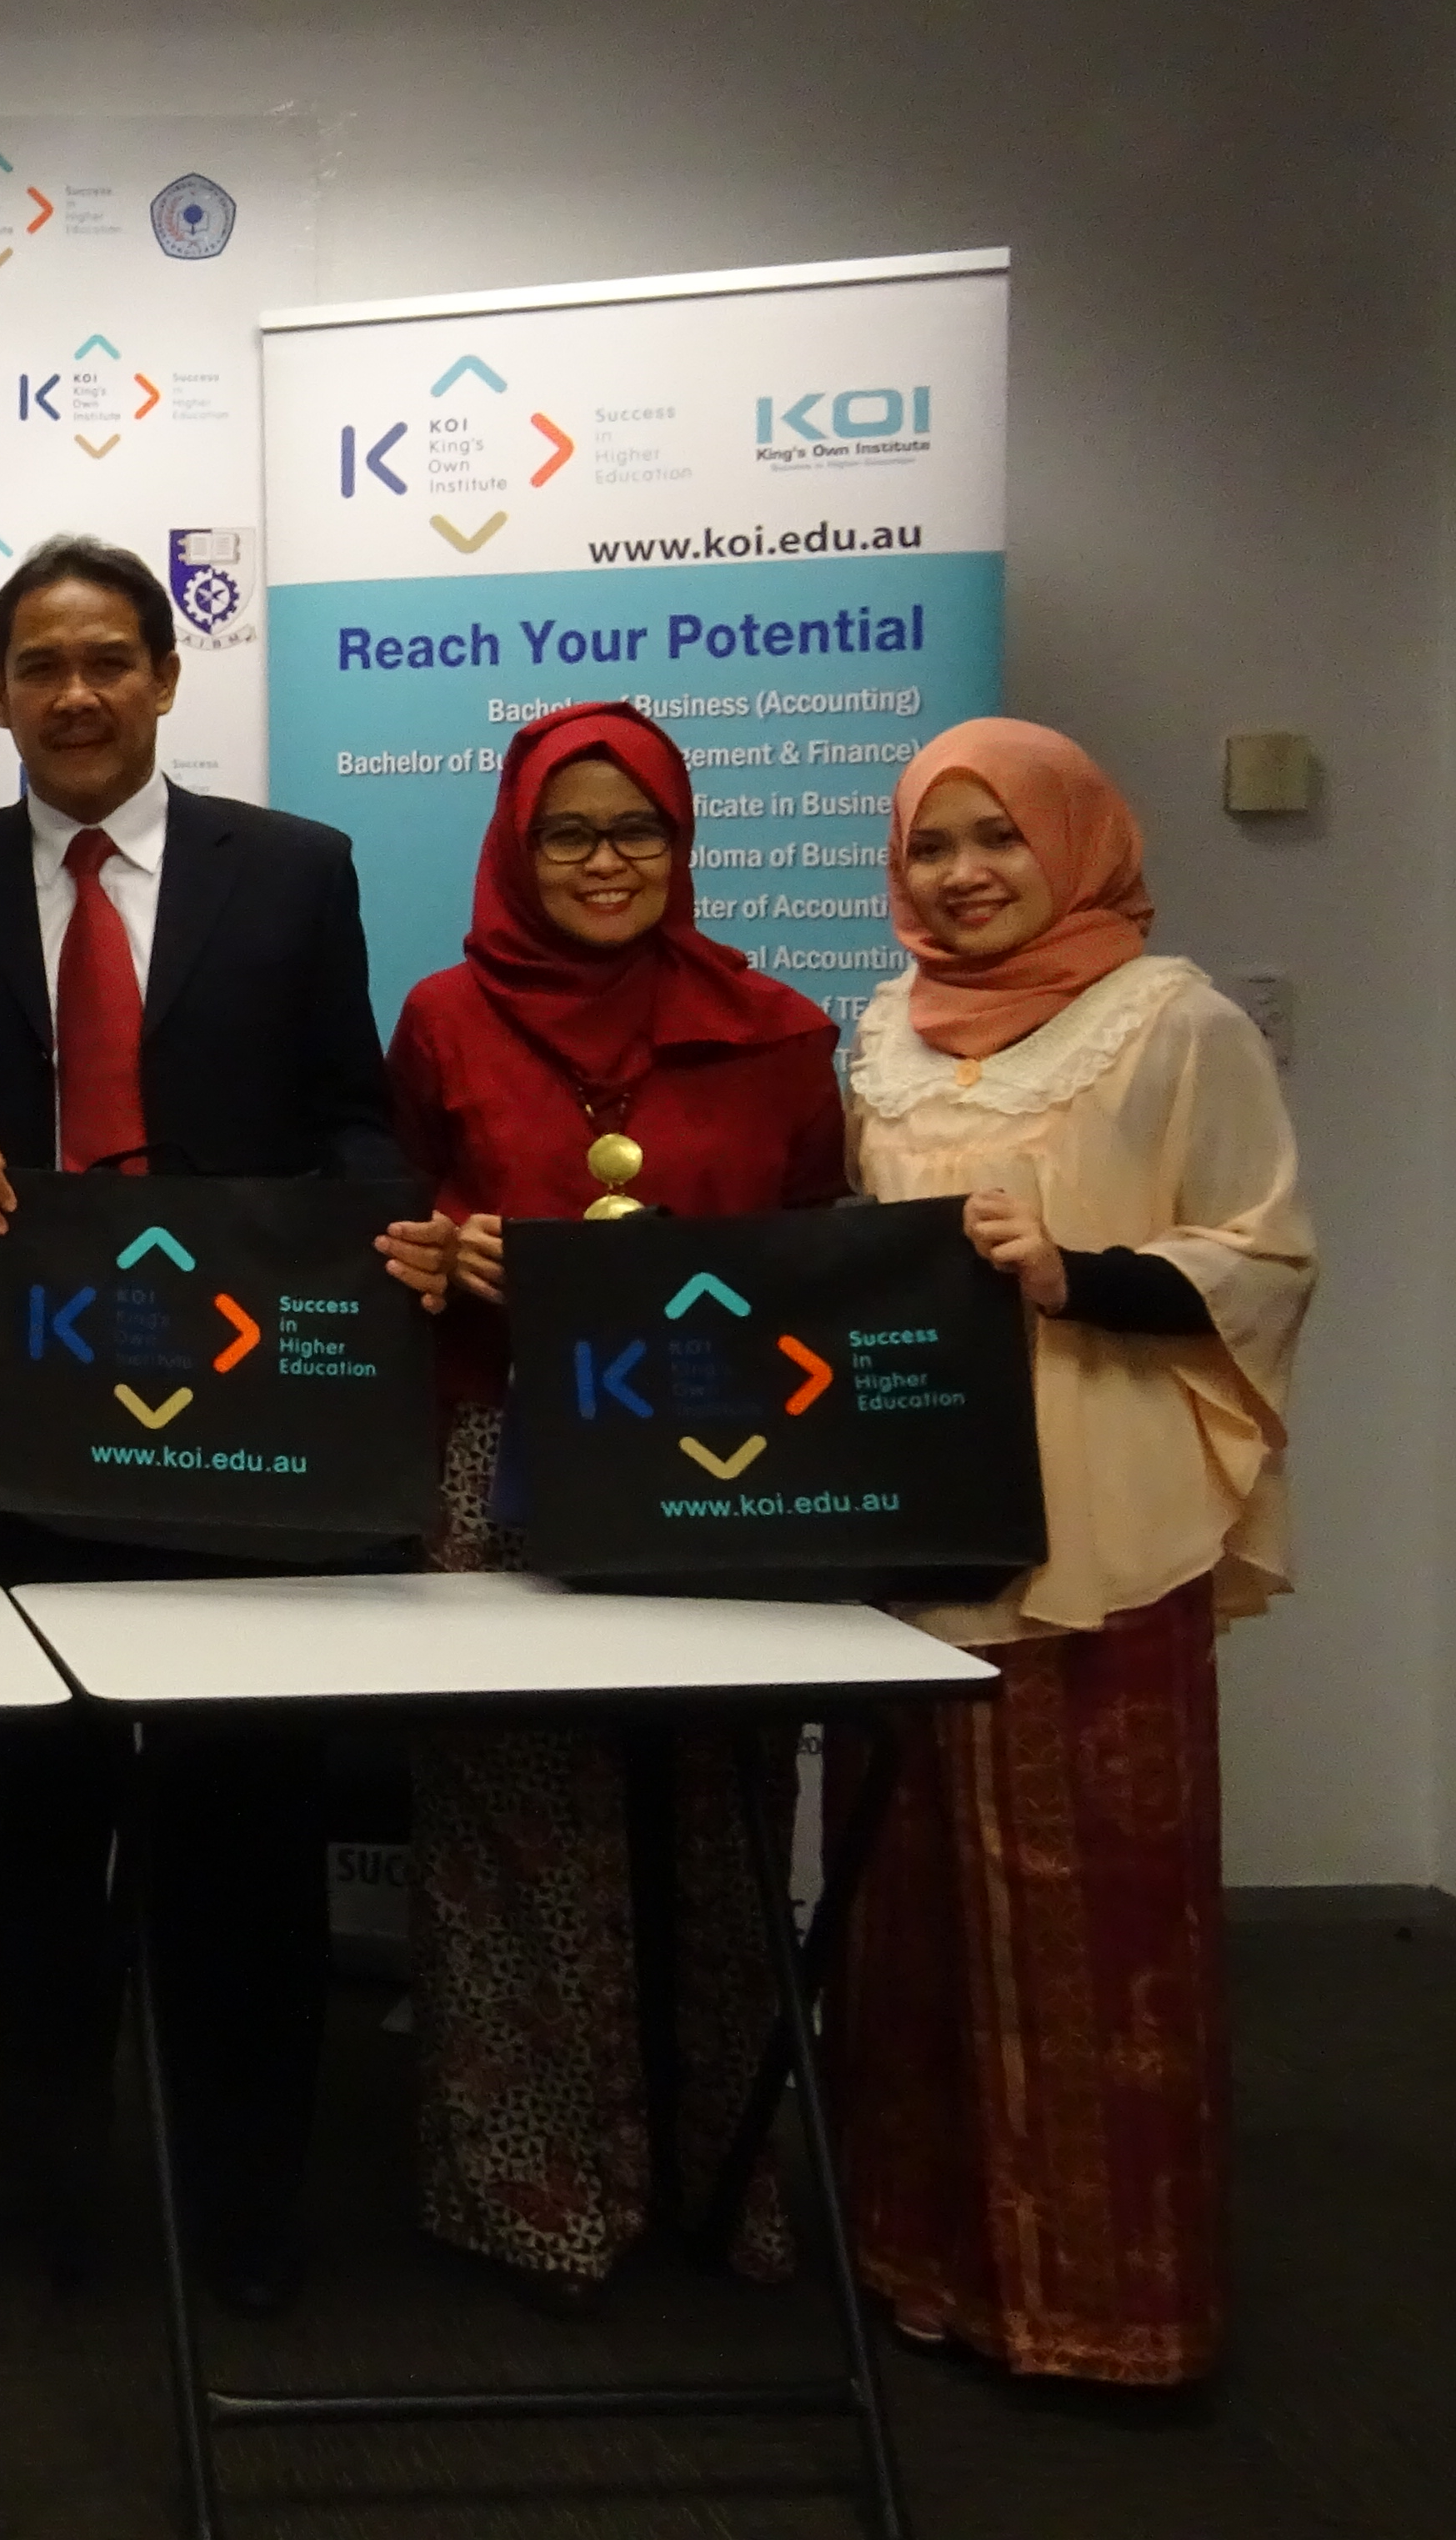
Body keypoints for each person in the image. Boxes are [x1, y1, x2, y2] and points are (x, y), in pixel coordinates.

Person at [0, 535, 398, 2307]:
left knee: (245, 1819)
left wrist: (364, 1236)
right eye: (39, 666)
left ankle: (243, 2207)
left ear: (164, 674)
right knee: (41, 1813)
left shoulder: (294, 871)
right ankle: (48, 2192)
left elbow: (354, 1115)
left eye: (105, 661)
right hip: (22, 1413)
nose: (73, 695)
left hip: (248, 1416)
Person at [828, 720, 1312, 2389]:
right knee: (913, 1913)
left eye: (999, 840)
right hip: (916, 1517)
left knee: (1102, 1928)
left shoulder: (1173, 1021)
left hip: (1098, 1521)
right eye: (932, 846)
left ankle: (1110, 2308)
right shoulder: (881, 1035)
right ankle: (929, 2262)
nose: (965, 876)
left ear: (1076, 843)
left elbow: (1268, 1254)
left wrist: (1075, 1272)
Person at [374, 701, 840, 2306]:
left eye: (634, 829)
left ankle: (725, 2184)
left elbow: (821, 1251)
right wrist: (443, 1251)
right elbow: (399, 1220)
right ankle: (539, 2199)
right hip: (497, 1453)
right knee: (517, 1831)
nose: (603, 862)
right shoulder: (444, 1018)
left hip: (720, 1471)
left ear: (680, 841)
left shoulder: (778, 1032)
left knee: (722, 1825)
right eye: (566, 833)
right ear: (517, 848)